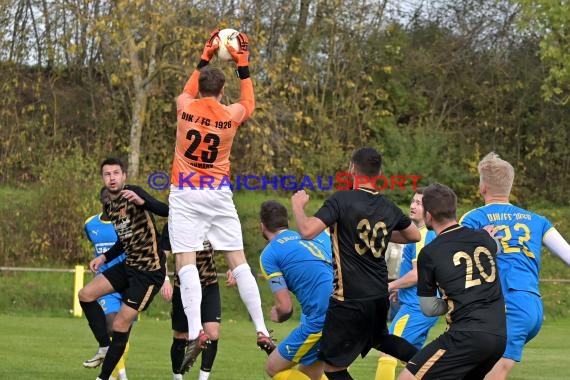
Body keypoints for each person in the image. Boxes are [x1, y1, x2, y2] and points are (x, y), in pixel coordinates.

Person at [168, 27, 273, 371]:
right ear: (222, 90)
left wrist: (205, 54)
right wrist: (243, 64)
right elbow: (249, 104)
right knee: (238, 261)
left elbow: (186, 90)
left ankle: (197, 329)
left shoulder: (184, 108)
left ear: (199, 86)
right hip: (218, 194)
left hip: (184, 192)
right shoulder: (230, 116)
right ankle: (260, 327)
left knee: (186, 264)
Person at [291, 147, 421, 380]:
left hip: (348, 299)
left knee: (332, 367)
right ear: (378, 172)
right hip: (378, 295)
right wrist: (377, 235)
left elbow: (307, 231)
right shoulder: (387, 206)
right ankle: (429, 360)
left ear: (352, 168)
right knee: (380, 339)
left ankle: (430, 360)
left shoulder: (341, 199)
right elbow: (414, 234)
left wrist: (298, 207)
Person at [459, 152, 570, 380]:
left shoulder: (473, 218)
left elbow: (451, 258)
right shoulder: (537, 220)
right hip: (531, 305)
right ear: (509, 186)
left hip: (506, 306)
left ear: (482, 187)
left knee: (493, 371)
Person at [397, 183, 506, 380]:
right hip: (498, 336)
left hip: (466, 336)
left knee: (407, 378)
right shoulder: (482, 237)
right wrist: (487, 236)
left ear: (428, 215)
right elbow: (496, 247)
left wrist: (453, 301)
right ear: (454, 210)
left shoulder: (429, 253)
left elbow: (429, 308)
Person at [78, 157, 168, 380]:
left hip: (149, 273)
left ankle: (104, 377)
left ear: (124, 176)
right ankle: (104, 347)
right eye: (107, 174)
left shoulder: (134, 193)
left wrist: (142, 202)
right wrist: (104, 257)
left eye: (116, 173)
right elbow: (123, 240)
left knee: (119, 324)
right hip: (128, 265)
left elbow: (166, 211)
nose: (112, 178)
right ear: (103, 178)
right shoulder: (110, 204)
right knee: (86, 295)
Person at [258, 200, 333, 380]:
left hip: (320, 318)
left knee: (273, 367)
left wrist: (277, 314)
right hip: (346, 309)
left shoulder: (269, 254)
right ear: (287, 222)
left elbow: (285, 308)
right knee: (310, 374)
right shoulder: (312, 235)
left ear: (262, 226)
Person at [375, 188, 439, 380]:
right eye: (413, 201)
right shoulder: (423, 235)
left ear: (429, 211)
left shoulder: (422, 237)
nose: (412, 206)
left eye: (419, 203)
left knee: (387, 352)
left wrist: (391, 286)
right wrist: (400, 288)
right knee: (414, 361)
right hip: (422, 306)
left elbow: (418, 274)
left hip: (415, 307)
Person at [160, 223, 221, 379]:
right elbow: (162, 256)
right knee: (181, 337)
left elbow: (229, 245)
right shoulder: (174, 223)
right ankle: (177, 376)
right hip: (184, 288)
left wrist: (233, 268)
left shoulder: (211, 220)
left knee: (212, 333)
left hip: (209, 284)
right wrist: (165, 279)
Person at [83, 190, 131, 380]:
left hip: (129, 281)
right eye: (107, 200)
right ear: (101, 201)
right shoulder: (90, 224)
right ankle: (120, 375)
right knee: (112, 327)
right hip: (105, 283)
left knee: (123, 334)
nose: (110, 203)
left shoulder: (124, 222)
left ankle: (112, 375)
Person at [385, 242, 404, 321]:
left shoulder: (405, 246)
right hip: (387, 277)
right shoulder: (390, 245)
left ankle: (394, 318)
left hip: (399, 279)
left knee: (395, 300)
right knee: (385, 299)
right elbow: (384, 260)